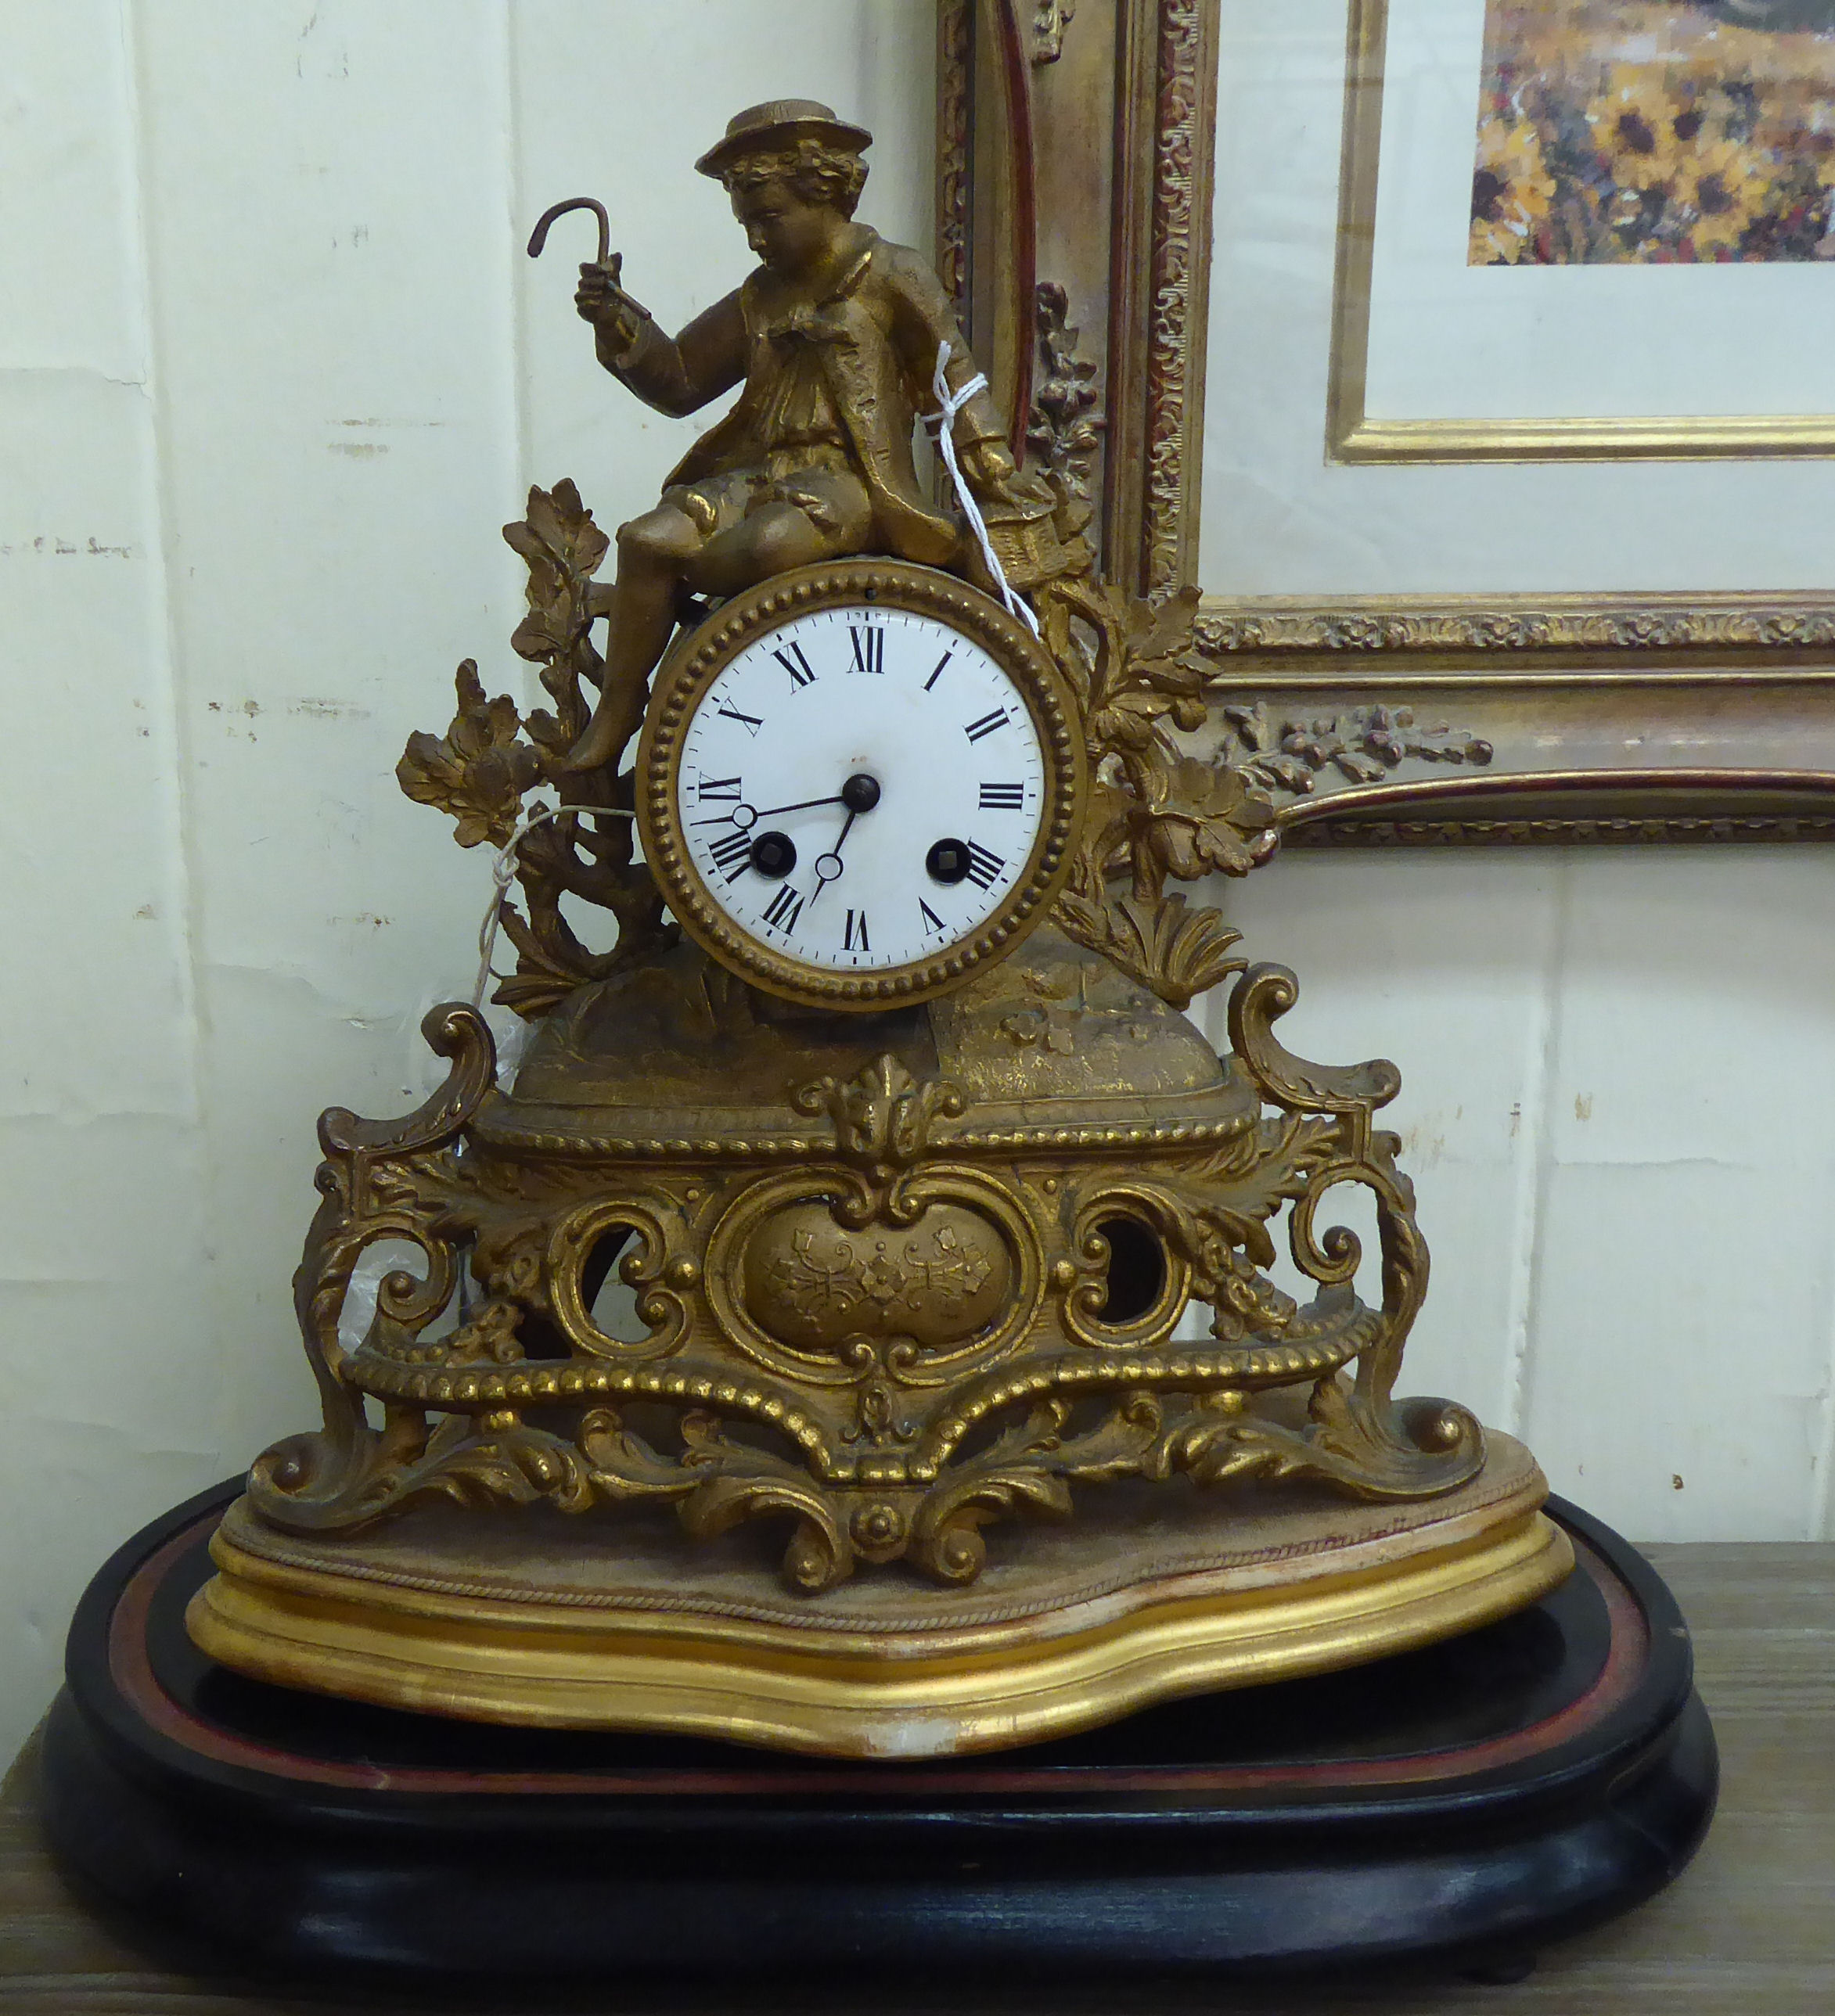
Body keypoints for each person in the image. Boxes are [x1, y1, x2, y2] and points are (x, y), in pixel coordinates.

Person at [564, 99, 1033, 771]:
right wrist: (618, 325)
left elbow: (952, 372)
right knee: (645, 541)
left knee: (769, 546)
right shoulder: (761, 294)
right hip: (757, 475)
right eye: (746, 223)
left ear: (826, 193)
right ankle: (617, 717)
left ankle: (697, 644)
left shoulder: (891, 274)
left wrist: (983, 449)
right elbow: (682, 381)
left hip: (848, 483)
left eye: (768, 218)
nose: (755, 238)